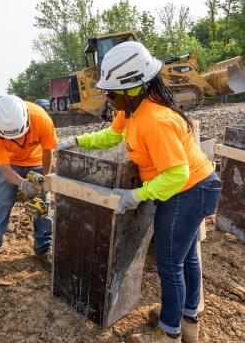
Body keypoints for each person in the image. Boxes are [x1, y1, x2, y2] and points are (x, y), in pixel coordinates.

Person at [56, 42, 222, 343]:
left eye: (111, 92)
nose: (107, 97)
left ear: (132, 88)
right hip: (192, 187)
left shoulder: (155, 120)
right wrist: (78, 140)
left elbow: (176, 174)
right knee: (185, 260)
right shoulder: (133, 109)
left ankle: (169, 333)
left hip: (187, 191)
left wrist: (135, 196)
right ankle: (187, 323)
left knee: (171, 264)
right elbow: (112, 135)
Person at [0, 95, 58, 274]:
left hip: (37, 160)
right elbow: (5, 170)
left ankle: (43, 249)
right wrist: (22, 183)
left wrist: (45, 179)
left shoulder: (41, 119)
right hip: (10, 163)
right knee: (1, 203)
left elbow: (48, 150)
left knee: (42, 204)